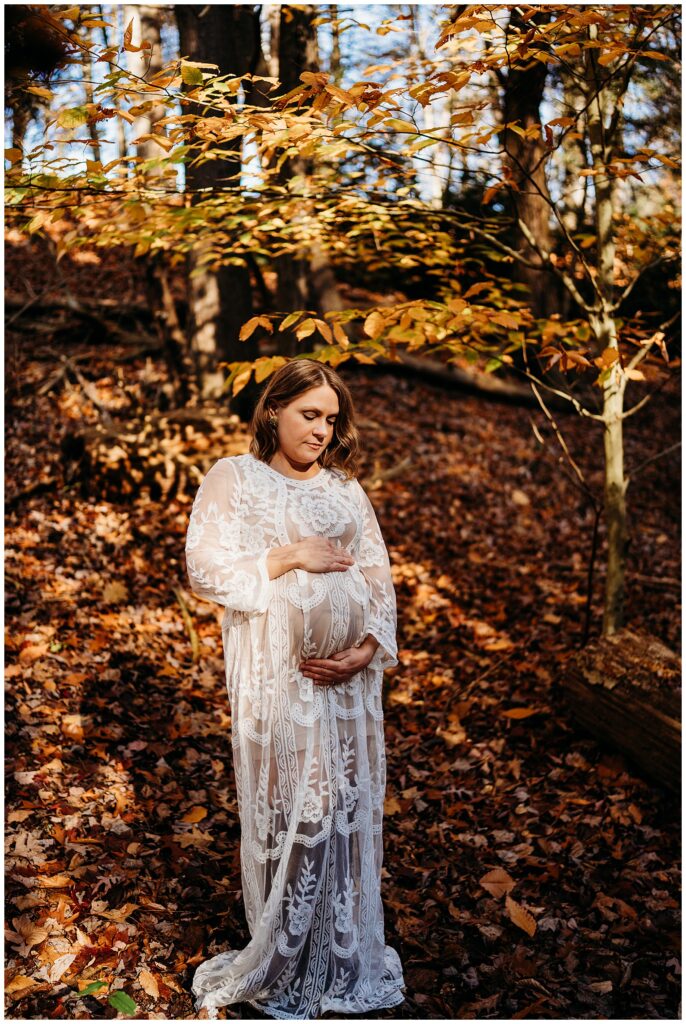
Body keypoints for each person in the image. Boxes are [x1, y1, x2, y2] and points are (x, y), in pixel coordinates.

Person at [185, 358, 405, 1020]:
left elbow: (378, 577)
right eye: (309, 414)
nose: (321, 429)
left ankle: (339, 957)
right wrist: (288, 557)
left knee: (344, 811)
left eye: (331, 419)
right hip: (277, 676)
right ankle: (282, 955)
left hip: (348, 686)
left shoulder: (345, 490)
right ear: (272, 411)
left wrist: (367, 649)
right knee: (295, 812)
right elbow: (204, 567)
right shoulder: (235, 477)